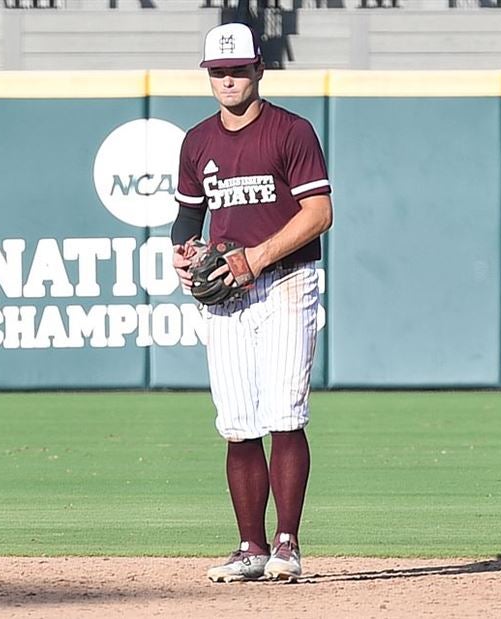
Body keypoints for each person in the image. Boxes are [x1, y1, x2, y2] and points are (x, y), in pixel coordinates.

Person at [169, 22, 333, 583]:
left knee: (284, 413)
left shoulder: (291, 131)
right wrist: (182, 251)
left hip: (286, 281)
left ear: (259, 69)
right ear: (208, 75)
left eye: (238, 69)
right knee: (237, 422)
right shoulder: (197, 141)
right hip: (226, 293)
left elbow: (319, 215)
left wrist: (254, 259)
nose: (229, 79)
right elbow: (190, 213)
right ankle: (250, 547)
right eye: (219, 71)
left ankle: (287, 544)